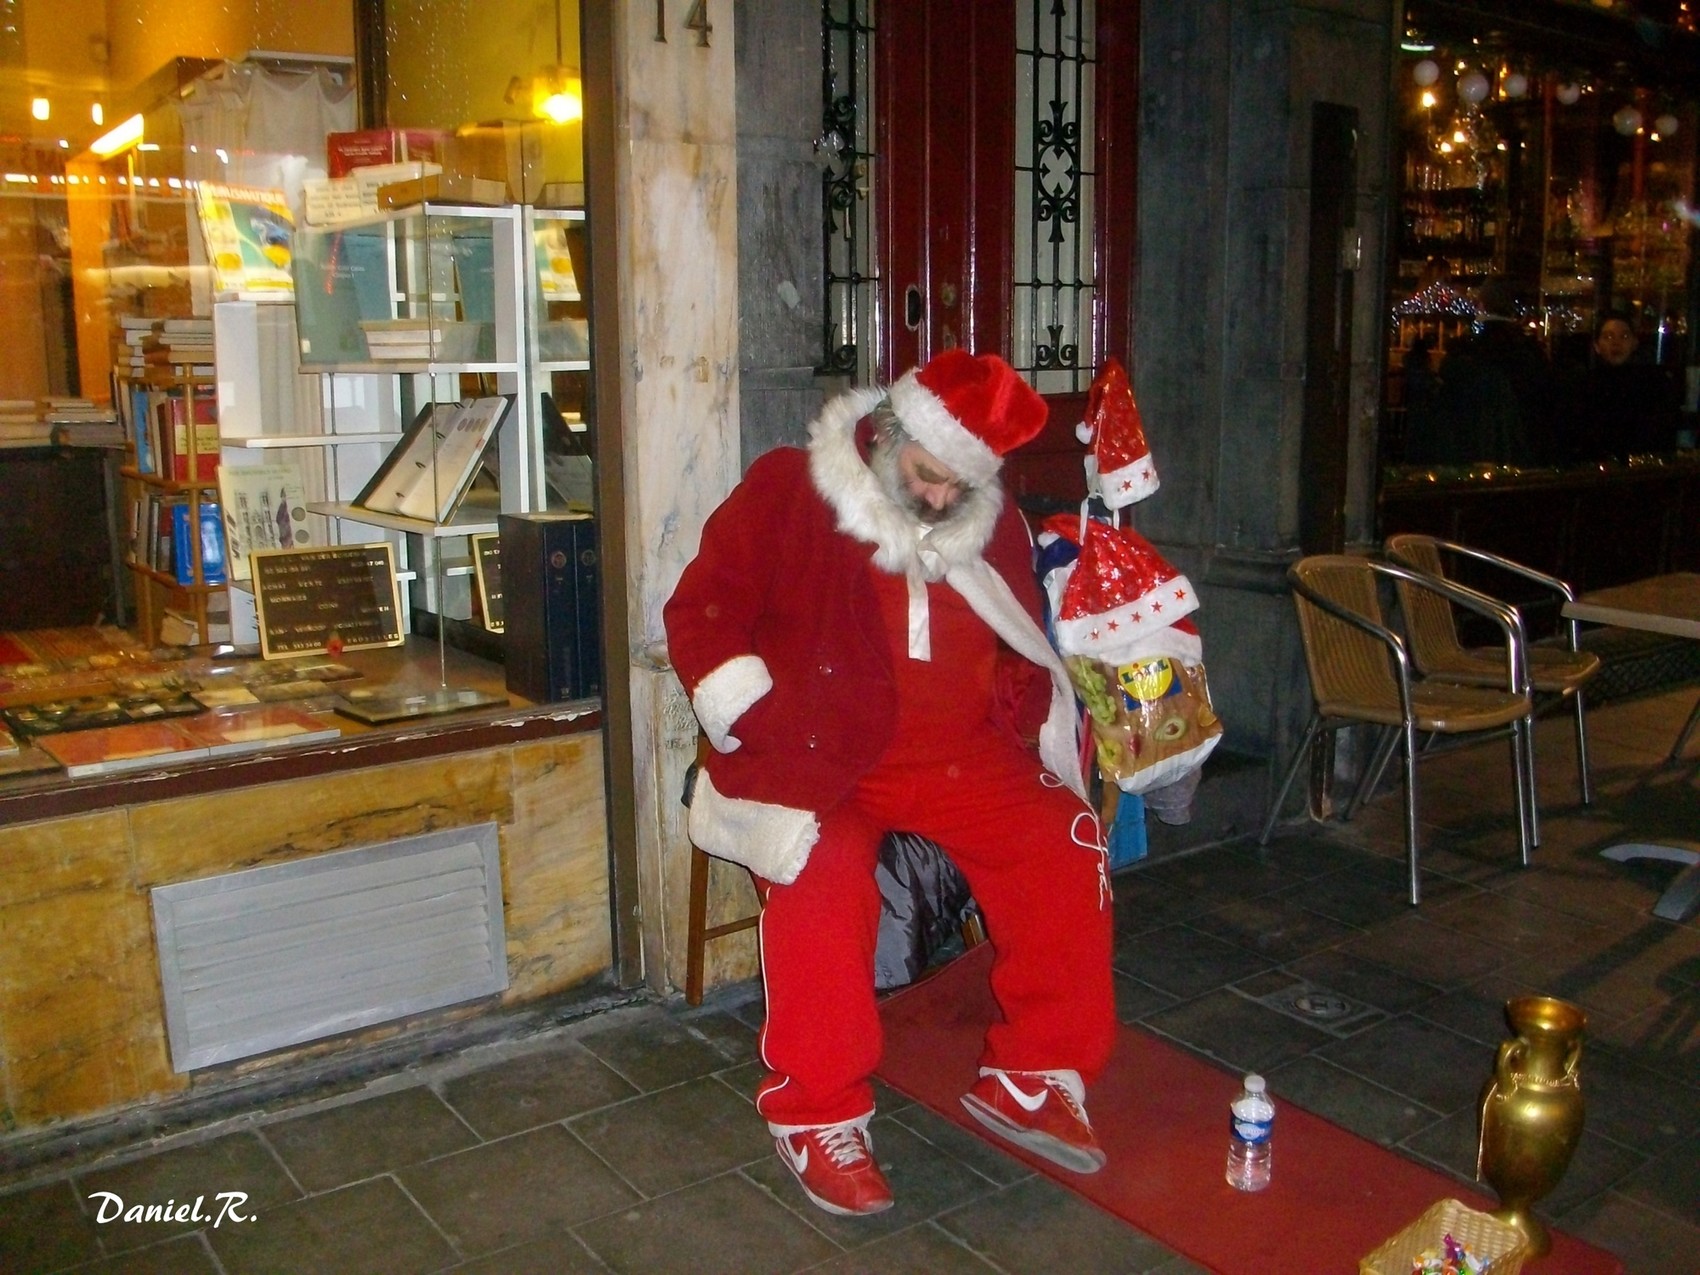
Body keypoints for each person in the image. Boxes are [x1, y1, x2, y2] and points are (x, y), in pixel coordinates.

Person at [664, 350, 1116, 1217]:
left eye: (961, 485)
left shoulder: (991, 516)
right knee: (822, 875)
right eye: (927, 476)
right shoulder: (793, 489)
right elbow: (702, 609)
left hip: (959, 755)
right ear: (887, 437)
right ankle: (817, 1108)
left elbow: (1020, 634)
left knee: (1065, 840)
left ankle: (1034, 1071)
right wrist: (749, 715)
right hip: (821, 751)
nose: (942, 498)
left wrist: (1024, 723)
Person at [1558, 311, 1680, 464]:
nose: (1616, 343)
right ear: (1596, 346)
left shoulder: (1653, 384)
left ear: (1635, 343)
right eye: (1608, 337)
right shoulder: (1583, 386)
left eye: (1624, 337)